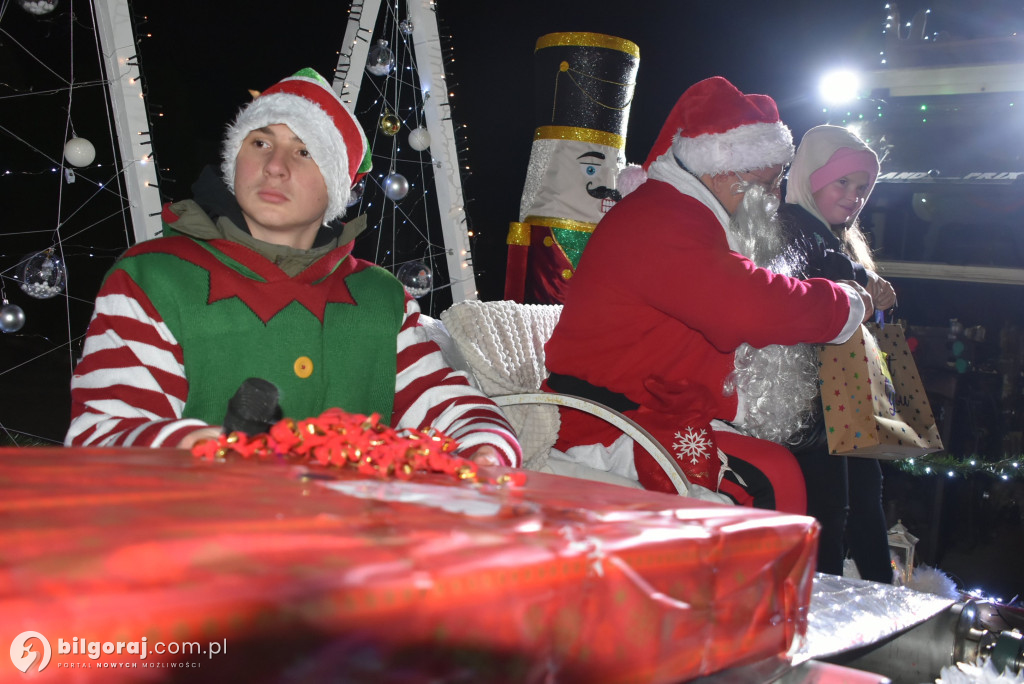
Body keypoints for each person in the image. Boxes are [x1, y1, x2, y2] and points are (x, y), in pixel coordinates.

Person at [65, 68, 521, 468]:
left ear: (336, 187)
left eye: (305, 152)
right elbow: (103, 433)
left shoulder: (380, 298)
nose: (275, 166)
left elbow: (453, 409)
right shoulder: (153, 278)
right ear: (235, 160)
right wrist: (197, 448)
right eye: (260, 142)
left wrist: (483, 450)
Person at [543, 76, 876, 513]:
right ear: (725, 169)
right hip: (611, 426)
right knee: (773, 481)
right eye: (767, 182)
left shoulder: (689, 211)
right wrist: (847, 303)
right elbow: (749, 306)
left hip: (657, 409)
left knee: (784, 467)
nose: (774, 197)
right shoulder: (664, 219)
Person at [775, 124, 896, 581]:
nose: (854, 196)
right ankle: (821, 604)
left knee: (862, 497)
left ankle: (879, 591)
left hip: (842, 387)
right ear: (811, 177)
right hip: (810, 395)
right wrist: (864, 279)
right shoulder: (791, 225)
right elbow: (812, 274)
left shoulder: (835, 237)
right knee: (831, 508)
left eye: (863, 188)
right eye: (842, 182)